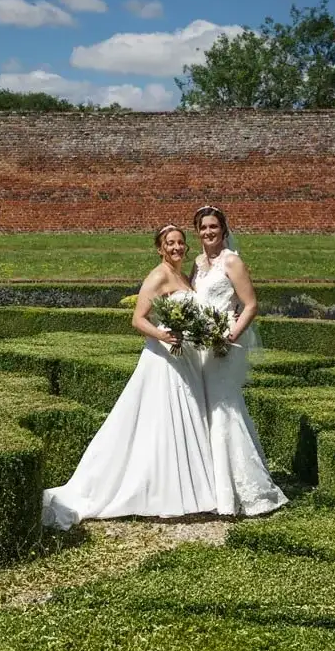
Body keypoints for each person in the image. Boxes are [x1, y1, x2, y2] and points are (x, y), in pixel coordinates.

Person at [41, 224, 217, 529]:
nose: (176, 247)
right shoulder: (158, 275)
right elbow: (137, 319)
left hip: (186, 358)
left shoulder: (183, 277)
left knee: (185, 417)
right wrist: (164, 336)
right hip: (164, 359)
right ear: (160, 248)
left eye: (180, 243)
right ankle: (160, 490)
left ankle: (192, 487)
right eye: (170, 243)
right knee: (162, 420)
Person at [191, 205, 289, 517]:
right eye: (203, 227)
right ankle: (211, 488)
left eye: (213, 226)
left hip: (224, 346)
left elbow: (250, 304)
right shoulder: (197, 264)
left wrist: (229, 335)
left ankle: (241, 492)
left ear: (223, 229)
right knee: (206, 409)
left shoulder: (231, 261)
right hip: (200, 346)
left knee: (224, 409)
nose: (208, 232)